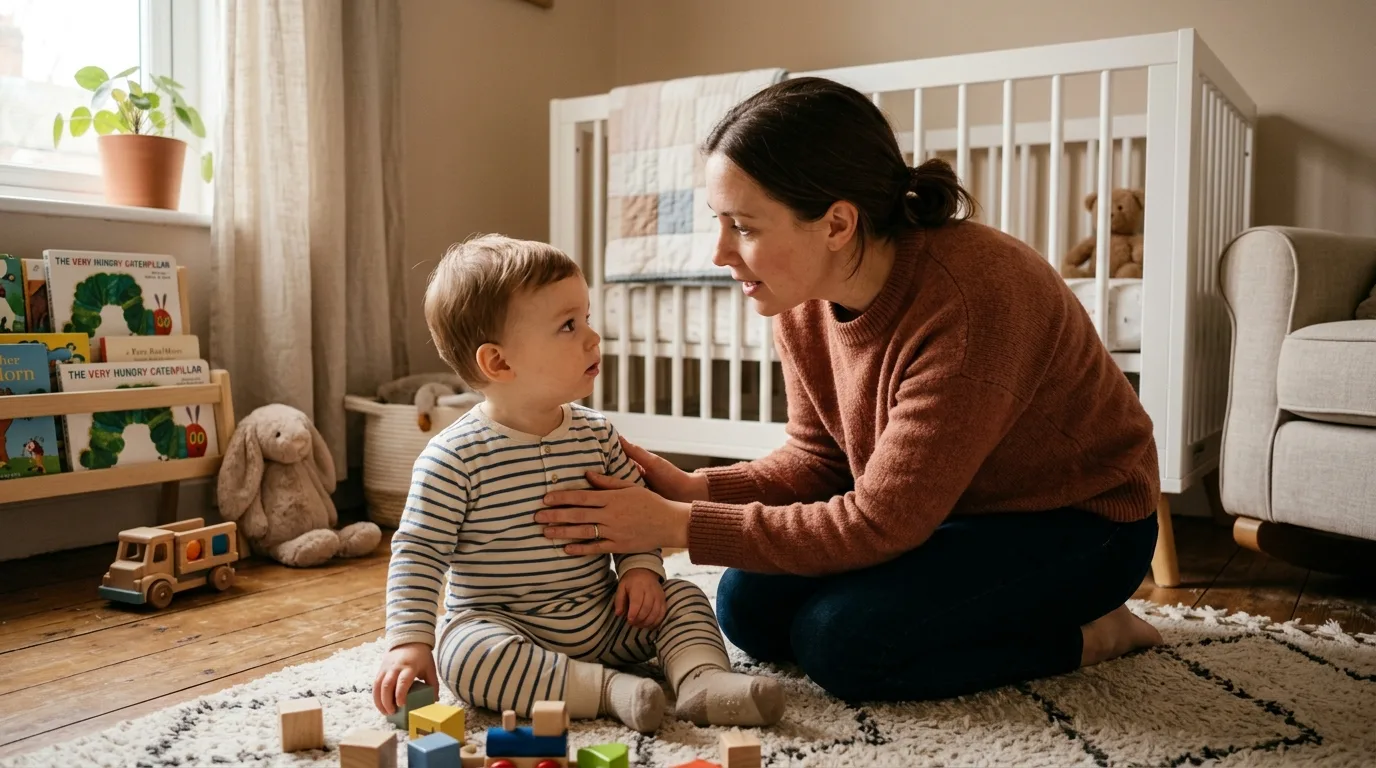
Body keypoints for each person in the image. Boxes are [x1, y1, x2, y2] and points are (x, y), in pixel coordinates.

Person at [535, 77, 1165, 704]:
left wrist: (679, 524)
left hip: (1081, 522)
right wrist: (696, 489)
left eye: (744, 226)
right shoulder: (800, 297)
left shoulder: (974, 300)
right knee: (747, 606)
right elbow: (820, 459)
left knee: (844, 644)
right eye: (718, 222)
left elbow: (877, 522)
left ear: (836, 223)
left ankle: (1092, 636)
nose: (719, 251)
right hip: (946, 512)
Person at [372, 235, 784, 734]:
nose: (593, 337)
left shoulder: (598, 436)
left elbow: (640, 515)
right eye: (569, 326)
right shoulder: (452, 459)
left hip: (607, 618)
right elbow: (418, 553)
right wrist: (409, 643)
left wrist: (640, 573)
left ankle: (701, 681)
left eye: (586, 318)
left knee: (684, 597)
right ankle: (611, 692)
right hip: (509, 628)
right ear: (499, 363)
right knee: (465, 654)